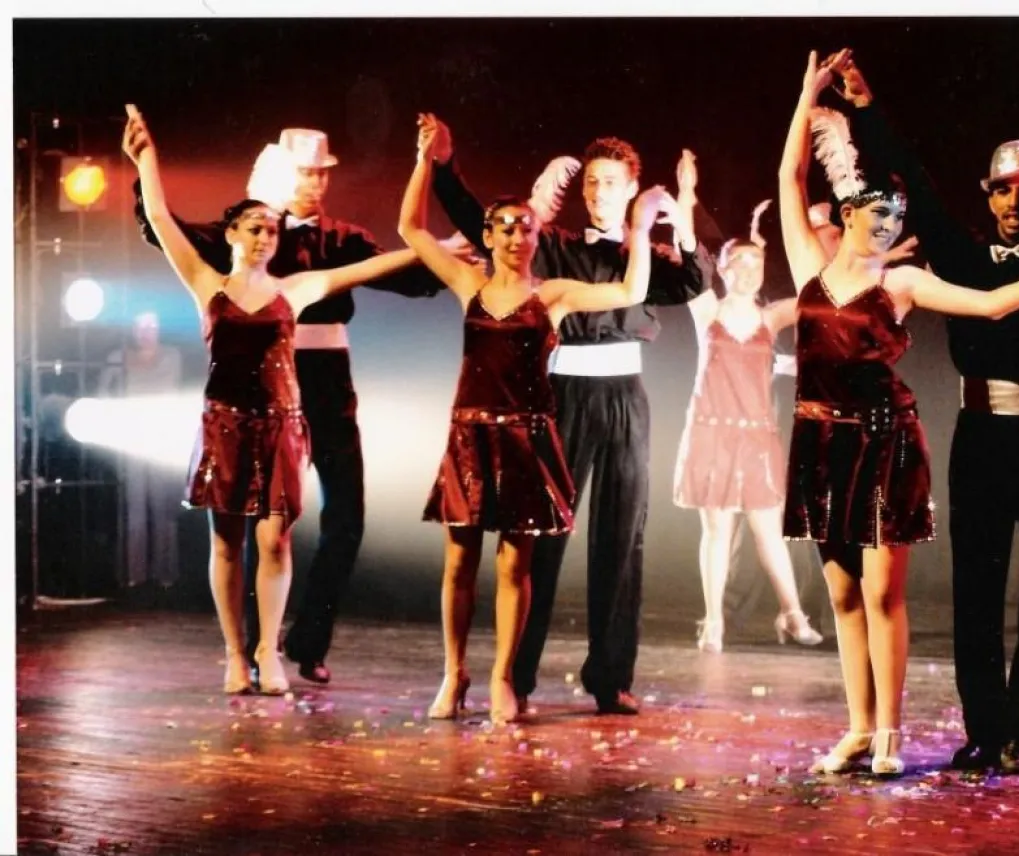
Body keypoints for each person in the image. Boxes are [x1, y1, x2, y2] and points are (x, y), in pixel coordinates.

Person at [832, 49, 1019, 774]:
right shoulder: (963, 257)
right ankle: (983, 727)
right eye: (1003, 191)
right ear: (988, 193)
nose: (1014, 204)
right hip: (980, 437)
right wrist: (866, 107)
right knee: (976, 585)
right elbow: (914, 178)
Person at [778, 52, 1019, 777]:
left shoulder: (905, 280)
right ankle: (860, 728)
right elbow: (789, 176)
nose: (888, 223)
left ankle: (893, 731)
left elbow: (992, 304)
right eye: (876, 213)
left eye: (895, 215)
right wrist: (808, 97)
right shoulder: (808, 268)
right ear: (848, 215)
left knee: (884, 591)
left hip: (886, 443)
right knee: (843, 591)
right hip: (822, 443)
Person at [122, 105, 445, 695]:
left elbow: (377, 267)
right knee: (230, 540)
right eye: (256, 229)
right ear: (236, 231)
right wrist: (146, 160)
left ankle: (284, 649)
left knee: (301, 530)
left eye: (323, 173)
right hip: (229, 419)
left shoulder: (311, 272)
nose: (267, 236)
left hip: (298, 404)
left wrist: (442, 249)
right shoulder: (210, 278)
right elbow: (162, 222)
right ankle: (237, 653)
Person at [428, 120, 714, 715]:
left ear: (631, 188)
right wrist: (445, 166)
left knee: (622, 536)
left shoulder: (644, 252)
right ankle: (517, 677)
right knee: (539, 537)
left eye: (611, 182)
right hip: (561, 396)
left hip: (625, 396)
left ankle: (611, 677)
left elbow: (693, 280)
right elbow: (477, 221)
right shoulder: (552, 244)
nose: (599, 192)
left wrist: (680, 214)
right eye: (592, 182)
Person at [674, 199, 822, 653]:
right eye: (739, 261)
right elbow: (688, 255)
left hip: (756, 435)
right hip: (712, 431)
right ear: (722, 268)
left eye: (756, 262)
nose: (749, 270)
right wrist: (685, 201)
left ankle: (792, 614)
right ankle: (714, 620)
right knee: (718, 531)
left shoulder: (770, 316)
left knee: (768, 531)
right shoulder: (707, 310)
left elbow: (820, 294)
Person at [99, 311, 183, 591]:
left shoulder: (171, 356)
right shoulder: (118, 357)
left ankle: (166, 574)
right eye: (141, 326)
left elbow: (169, 392)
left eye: (152, 326)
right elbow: (103, 395)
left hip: (161, 438)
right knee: (134, 507)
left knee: (163, 507)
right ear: (133, 330)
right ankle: (135, 575)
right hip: (131, 439)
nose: (146, 332)